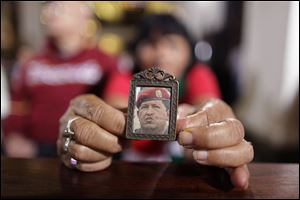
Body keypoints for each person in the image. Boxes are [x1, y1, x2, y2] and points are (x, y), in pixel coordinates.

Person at [57, 14, 254, 190]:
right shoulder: (124, 76)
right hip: (130, 178)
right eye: (151, 44)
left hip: (181, 179)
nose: (161, 53)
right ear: (136, 50)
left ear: (189, 51)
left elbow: (207, 105)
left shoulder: (198, 75)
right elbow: (115, 109)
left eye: (172, 45)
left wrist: (210, 130)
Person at [3, 1, 119, 157]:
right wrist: (13, 136)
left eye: (59, 7)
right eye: (48, 8)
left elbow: (115, 110)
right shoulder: (31, 63)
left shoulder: (105, 62)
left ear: (84, 16)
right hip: (36, 151)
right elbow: (18, 104)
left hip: (85, 150)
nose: (50, 13)